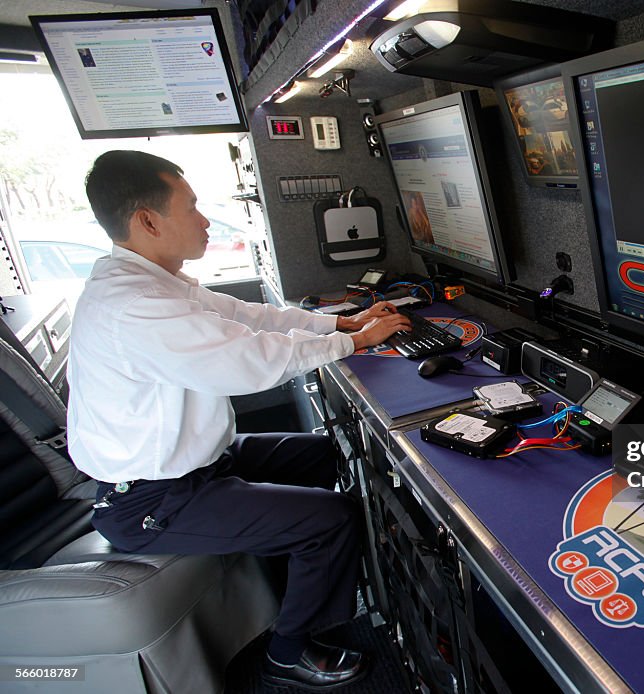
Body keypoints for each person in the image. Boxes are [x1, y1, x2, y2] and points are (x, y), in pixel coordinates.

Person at [67, 150, 411, 690]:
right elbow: (247, 360)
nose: (205, 220)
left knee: (327, 453)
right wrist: (357, 341)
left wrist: (339, 320)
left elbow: (246, 316)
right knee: (332, 518)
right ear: (148, 221)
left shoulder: (154, 282)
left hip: (196, 464)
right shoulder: (132, 304)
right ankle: (287, 653)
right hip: (150, 499)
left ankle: (313, 580)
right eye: (192, 207)